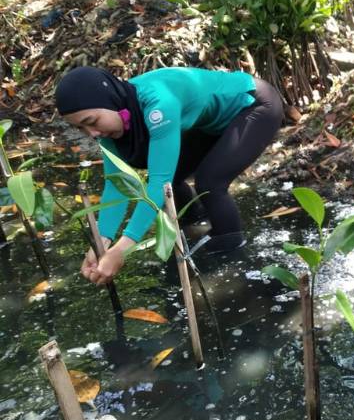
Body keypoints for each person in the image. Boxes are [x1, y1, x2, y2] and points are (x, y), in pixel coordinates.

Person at [55, 66, 283, 285]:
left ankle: (234, 257)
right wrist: (101, 243)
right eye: (81, 129)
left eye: (91, 122)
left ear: (110, 100)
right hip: (207, 124)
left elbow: (157, 183)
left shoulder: (158, 104)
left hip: (254, 105)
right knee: (172, 186)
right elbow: (117, 185)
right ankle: (196, 223)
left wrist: (123, 248)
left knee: (210, 183)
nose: (92, 134)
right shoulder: (111, 124)